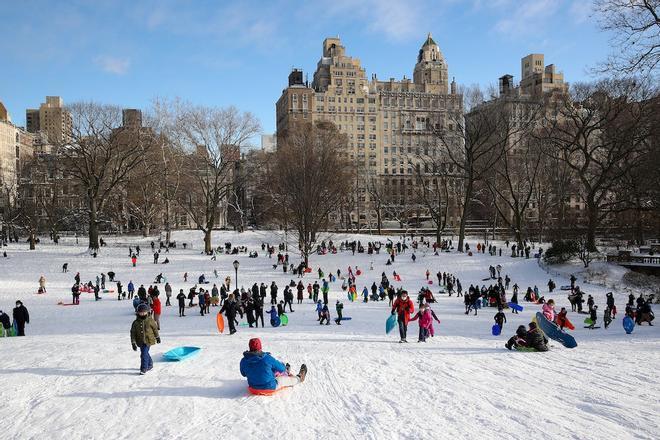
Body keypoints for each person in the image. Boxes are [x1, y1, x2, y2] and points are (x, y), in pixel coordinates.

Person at [239, 338, 307, 392]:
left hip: (253, 387)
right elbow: (281, 368)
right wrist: (284, 369)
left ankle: (283, 372)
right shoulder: (267, 358)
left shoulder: (244, 360)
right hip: (269, 387)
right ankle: (299, 378)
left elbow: (243, 374)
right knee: (285, 380)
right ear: (260, 347)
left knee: (267, 370)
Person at [130, 303, 160, 375]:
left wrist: (157, 337)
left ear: (147, 312)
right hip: (140, 341)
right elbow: (132, 333)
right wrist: (133, 343)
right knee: (144, 353)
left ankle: (144, 368)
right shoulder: (135, 323)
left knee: (144, 354)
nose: (143, 314)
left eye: (144, 312)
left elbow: (155, 329)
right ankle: (150, 364)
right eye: (141, 312)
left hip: (148, 340)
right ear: (138, 313)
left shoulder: (150, 320)